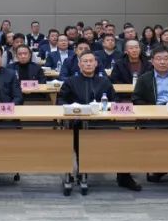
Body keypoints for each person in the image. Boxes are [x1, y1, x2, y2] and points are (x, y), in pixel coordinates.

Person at [60, 51, 139, 191]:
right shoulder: (71, 81)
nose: (88, 64)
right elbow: (61, 101)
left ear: (96, 64)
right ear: (79, 64)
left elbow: (115, 101)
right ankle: (81, 173)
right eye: (85, 61)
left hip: (103, 122)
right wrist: (73, 108)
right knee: (78, 139)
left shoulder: (104, 81)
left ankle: (124, 177)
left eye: (91, 61)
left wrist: (108, 106)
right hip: (78, 123)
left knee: (122, 139)